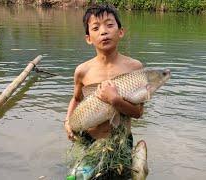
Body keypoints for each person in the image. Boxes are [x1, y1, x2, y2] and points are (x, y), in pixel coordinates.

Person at [63, 3, 144, 179]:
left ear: (120, 32)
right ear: (88, 38)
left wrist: (116, 100)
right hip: (88, 140)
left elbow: (138, 113)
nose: (104, 31)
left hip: (120, 143)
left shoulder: (134, 67)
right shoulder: (82, 71)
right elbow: (76, 99)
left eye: (109, 25)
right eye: (96, 27)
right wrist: (68, 122)